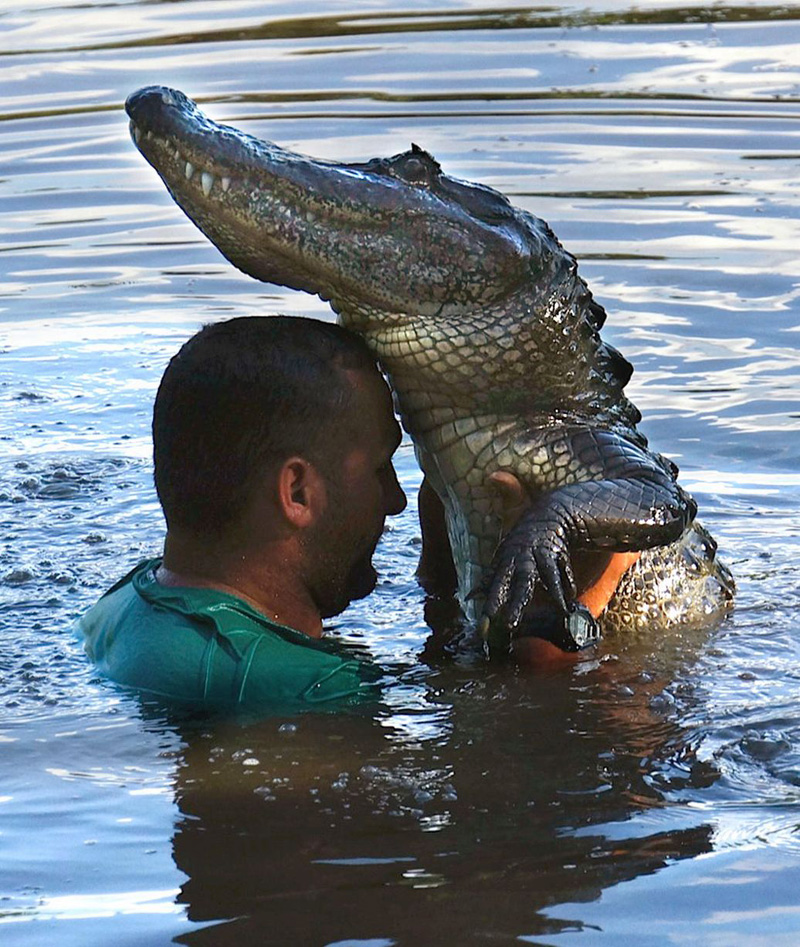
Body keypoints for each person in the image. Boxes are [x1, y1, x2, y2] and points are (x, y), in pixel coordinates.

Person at [77, 316, 406, 710]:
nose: (398, 499)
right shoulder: (310, 688)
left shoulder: (120, 606)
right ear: (297, 493)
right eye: (382, 466)